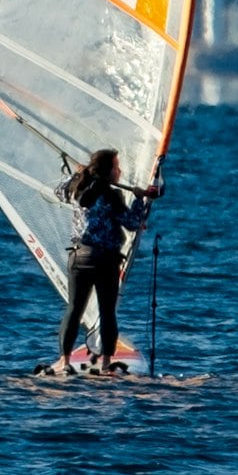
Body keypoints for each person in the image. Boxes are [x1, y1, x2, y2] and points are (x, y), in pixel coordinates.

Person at [55, 149, 158, 372]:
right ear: (108, 171)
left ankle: (64, 361)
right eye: (116, 167)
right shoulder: (111, 196)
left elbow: (58, 191)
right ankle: (105, 363)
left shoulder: (77, 188)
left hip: (79, 257)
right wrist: (140, 199)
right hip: (105, 261)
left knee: (74, 309)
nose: (119, 171)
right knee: (107, 311)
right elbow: (132, 222)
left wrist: (76, 176)